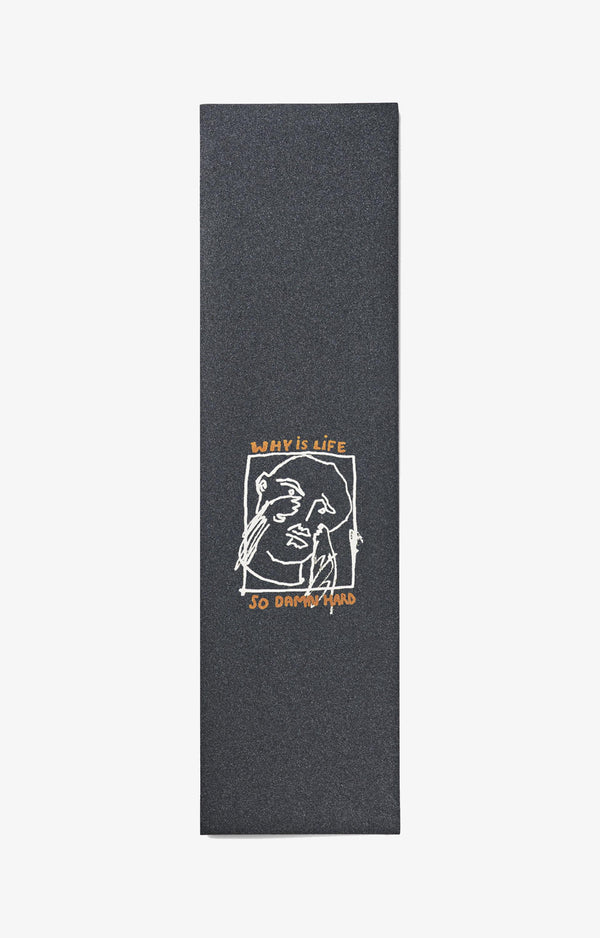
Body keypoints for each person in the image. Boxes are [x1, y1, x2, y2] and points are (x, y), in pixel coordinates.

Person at [236, 454, 353, 592]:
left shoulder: (325, 575)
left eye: (322, 510)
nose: (305, 523)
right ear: (264, 486)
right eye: (293, 496)